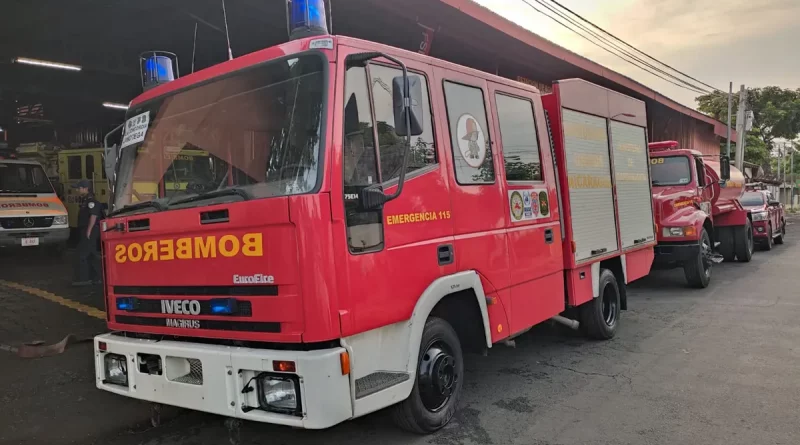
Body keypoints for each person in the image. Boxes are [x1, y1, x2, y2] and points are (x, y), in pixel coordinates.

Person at [72, 180, 103, 286]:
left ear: (86, 188)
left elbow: (93, 216)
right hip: (86, 229)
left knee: (82, 254)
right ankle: (96, 278)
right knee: (91, 254)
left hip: (90, 230)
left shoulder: (91, 202)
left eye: (79, 188)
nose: (77, 190)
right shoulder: (85, 200)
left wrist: (88, 231)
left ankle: (84, 279)